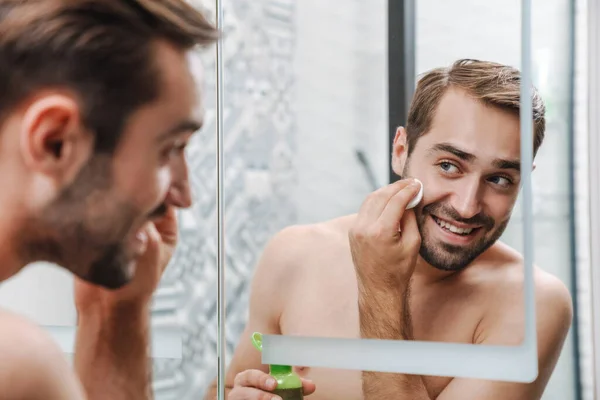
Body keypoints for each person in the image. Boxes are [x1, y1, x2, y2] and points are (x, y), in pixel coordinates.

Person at [209, 59, 574, 400]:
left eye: (499, 178)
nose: (467, 206)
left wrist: (381, 289)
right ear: (401, 151)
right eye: (449, 166)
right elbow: (229, 385)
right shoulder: (294, 253)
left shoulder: (531, 303)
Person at [0, 0, 218, 398]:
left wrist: (119, 311)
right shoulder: (17, 366)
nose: (184, 196)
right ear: (55, 142)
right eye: (169, 148)